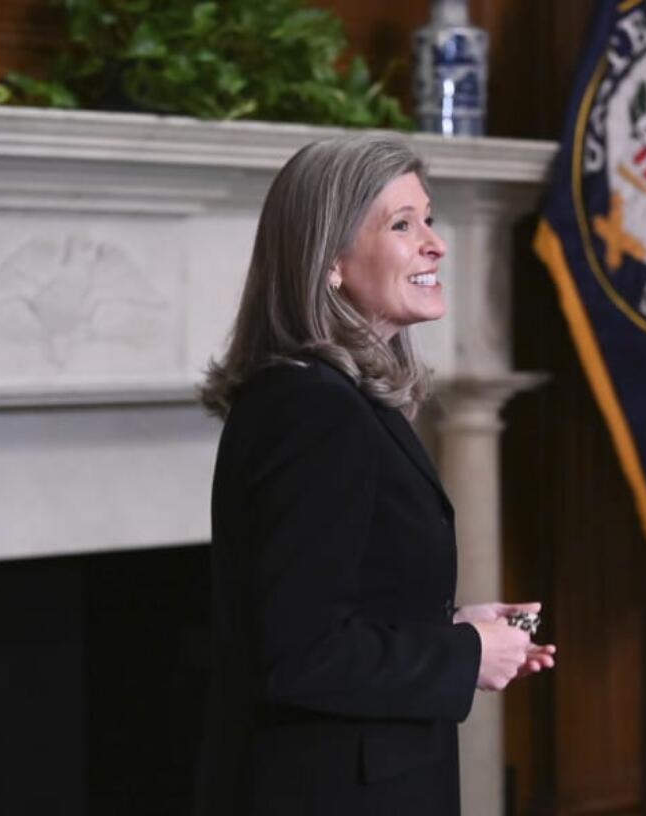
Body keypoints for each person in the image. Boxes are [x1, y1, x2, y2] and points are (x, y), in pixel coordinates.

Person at [194, 132, 555, 815]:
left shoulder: (333, 397)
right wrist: (462, 657)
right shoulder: (311, 408)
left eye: (430, 218)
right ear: (330, 261)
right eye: (401, 224)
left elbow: (336, 602)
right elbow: (299, 652)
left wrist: (452, 627)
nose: (434, 243)